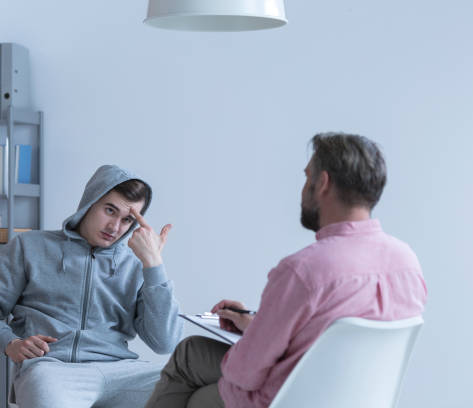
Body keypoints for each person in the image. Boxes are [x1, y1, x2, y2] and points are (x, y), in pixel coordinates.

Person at [145, 132, 428, 408]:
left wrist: (257, 340)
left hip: (284, 400)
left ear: (323, 183)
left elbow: (245, 373)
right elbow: (334, 345)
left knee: (192, 372)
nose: (303, 188)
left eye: (307, 177)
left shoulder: (303, 271)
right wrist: (260, 326)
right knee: (196, 363)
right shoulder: (407, 263)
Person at [0, 164, 183, 408]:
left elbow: (164, 342)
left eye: (128, 220)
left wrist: (153, 264)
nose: (114, 227)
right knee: (46, 395)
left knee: (190, 388)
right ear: (89, 203)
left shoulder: (137, 264)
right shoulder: (30, 247)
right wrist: (8, 341)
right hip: (52, 369)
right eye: (110, 210)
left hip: (121, 371)